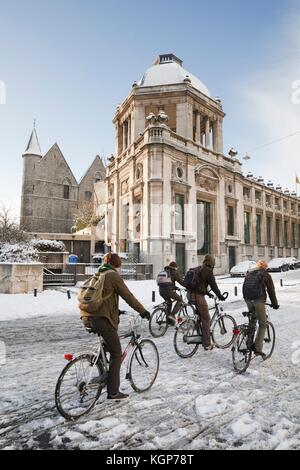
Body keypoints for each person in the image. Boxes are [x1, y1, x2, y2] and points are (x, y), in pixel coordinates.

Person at [80, 253, 151, 401]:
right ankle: (113, 392)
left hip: (87, 316)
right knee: (116, 352)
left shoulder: (99, 273)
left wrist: (115, 310)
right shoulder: (113, 276)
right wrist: (143, 311)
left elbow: (103, 297)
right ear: (117, 264)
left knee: (108, 347)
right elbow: (128, 296)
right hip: (101, 319)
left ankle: (103, 375)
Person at [187, 255, 226, 351]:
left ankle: (201, 334)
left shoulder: (200, 268)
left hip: (190, 295)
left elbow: (200, 283)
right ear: (212, 262)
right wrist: (220, 295)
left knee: (201, 316)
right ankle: (207, 344)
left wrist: (207, 293)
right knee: (206, 318)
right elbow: (213, 285)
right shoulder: (208, 270)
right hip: (198, 297)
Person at [243, 260, 279, 359]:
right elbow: (271, 291)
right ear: (265, 267)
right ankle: (258, 349)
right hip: (258, 300)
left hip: (247, 299)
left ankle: (249, 343)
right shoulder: (266, 275)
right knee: (263, 323)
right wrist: (275, 304)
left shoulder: (250, 273)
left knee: (253, 320)